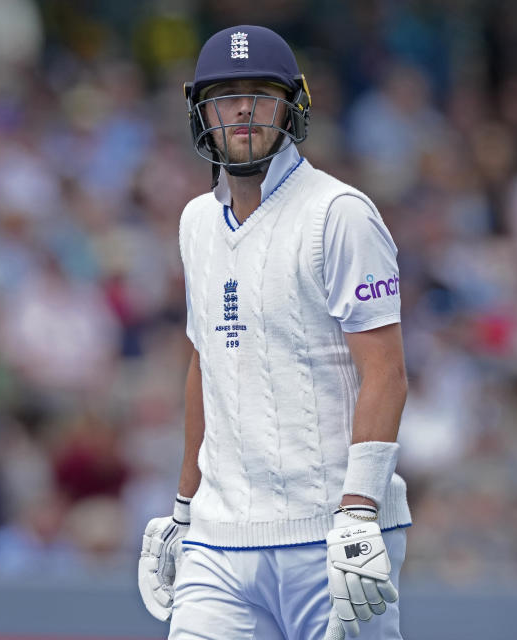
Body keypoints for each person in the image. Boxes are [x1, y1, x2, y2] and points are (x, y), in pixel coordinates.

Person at [138, 25, 411, 640]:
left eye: (260, 93)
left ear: (293, 105)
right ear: (200, 110)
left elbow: (386, 371)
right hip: (220, 537)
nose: (242, 109)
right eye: (225, 94)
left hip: (330, 531)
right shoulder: (195, 222)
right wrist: (184, 508)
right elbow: (206, 364)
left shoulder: (339, 215)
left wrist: (360, 511)